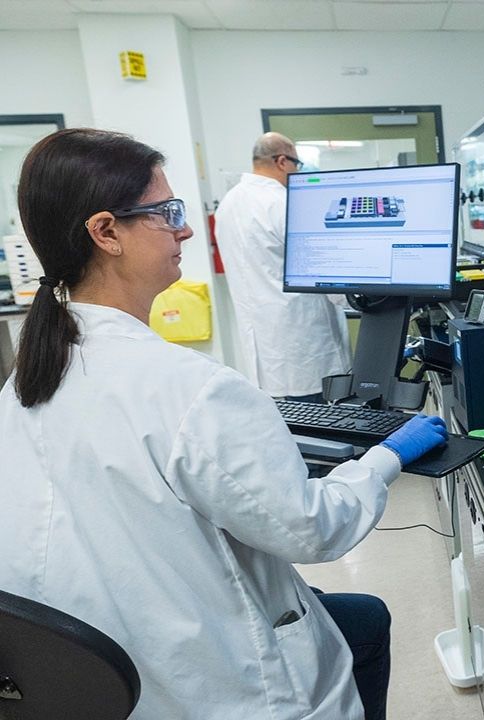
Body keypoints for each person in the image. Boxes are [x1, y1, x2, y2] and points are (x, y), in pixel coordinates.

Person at [0, 128, 448, 720]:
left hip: (108, 672)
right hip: (214, 684)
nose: (185, 229)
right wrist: (387, 456)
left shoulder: (25, 382)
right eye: (165, 213)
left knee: (354, 613)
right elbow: (312, 529)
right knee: (360, 620)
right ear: (106, 232)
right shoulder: (191, 390)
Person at [215, 131, 350, 401]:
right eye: (297, 164)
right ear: (281, 162)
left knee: (290, 427)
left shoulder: (229, 204)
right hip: (307, 351)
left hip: (265, 353)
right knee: (326, 430)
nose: (298, 171)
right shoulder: (285, 204)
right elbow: (328, 277)